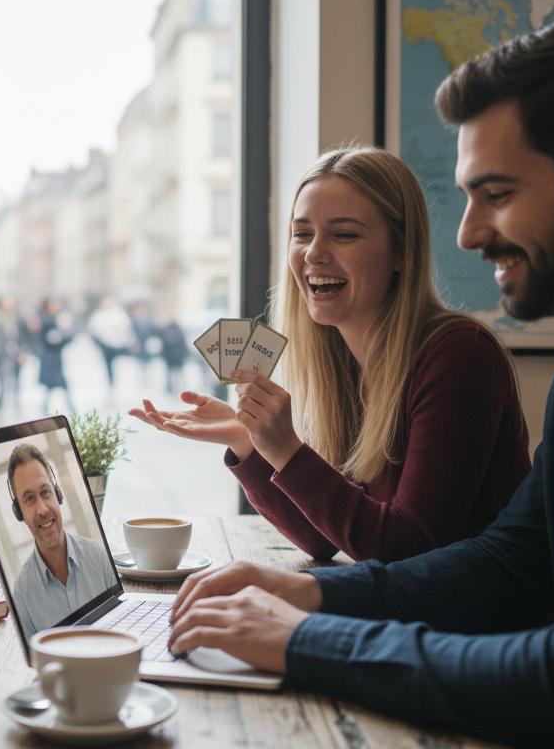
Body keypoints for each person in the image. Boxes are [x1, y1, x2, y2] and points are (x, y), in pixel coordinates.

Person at [166, 17, 554, 746]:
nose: (467, 233)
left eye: (496, 192)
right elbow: (507, 564)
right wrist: (307, 591)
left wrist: (302, 639)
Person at [133, 145, 530, 562]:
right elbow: (326, 538)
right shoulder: (343, 363)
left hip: (475, 623)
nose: (313, 253)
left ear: (401, 252)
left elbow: (407, 548)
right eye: (302, 234)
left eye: (344, 234)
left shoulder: (459, 355)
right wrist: (248, 441)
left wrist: (287, 448)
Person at [6, 444, 115, 638]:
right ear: (19, 512)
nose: (42, 510)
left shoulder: (100, 556)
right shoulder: (22, 592)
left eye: (46, 492)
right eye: (29, 499)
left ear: (57, 495)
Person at [0, 296, 25, 419]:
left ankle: (7, 404)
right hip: (1, 359)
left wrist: (21, 351)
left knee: (14, 382)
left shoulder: (16, 320)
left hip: (14, 358)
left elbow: (21, 338)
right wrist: (4, 350)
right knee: (3, 384)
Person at [86, 296, 136, 393]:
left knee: (121, 365)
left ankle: (118, 383)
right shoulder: (98, 315)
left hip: (118, 345)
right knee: (109, 365)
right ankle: (111, 383)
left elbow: (125, 328)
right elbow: (93, 330)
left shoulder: (119, 314)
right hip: (105, 345)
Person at [35, 298, 76, 415]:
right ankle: (71, 408)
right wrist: (66, 332)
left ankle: (68, 407)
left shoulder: (49, 319)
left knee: (54, 386)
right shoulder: (48, 321)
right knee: (58, 385)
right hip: (50, 360)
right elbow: (54, 340)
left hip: (53, 360)